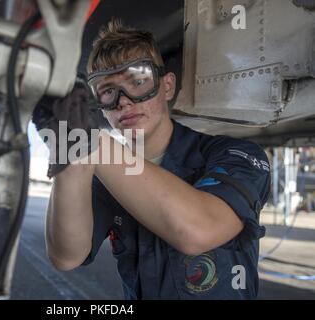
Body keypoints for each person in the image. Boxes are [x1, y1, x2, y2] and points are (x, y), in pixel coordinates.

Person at [34, 19, 271, 300]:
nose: (124, 101)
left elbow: (197, 230)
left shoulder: (236, 155)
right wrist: (69, 151)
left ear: (167, 86)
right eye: (108, 91)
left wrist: (93, 142)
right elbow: (67, 255)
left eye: (138, 82)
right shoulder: (105, 174)